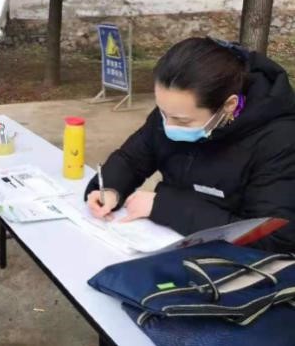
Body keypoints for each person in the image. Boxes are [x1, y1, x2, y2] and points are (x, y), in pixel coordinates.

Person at [85, 37, 295, 253]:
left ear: (229, 106)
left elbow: (274, 235)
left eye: (182, 121)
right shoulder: (175, 110)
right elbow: (132, 159)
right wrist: (110, 188)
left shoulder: (279, 139)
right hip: (166, 241)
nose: (167, 125)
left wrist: (165, 207)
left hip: (229, 260)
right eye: (162, 112)